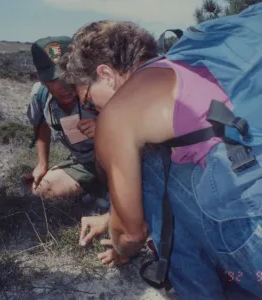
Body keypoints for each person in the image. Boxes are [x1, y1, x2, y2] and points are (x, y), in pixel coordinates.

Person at [60, 20, 262, 299]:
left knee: (149, 163)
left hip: (250, 228)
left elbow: (132, 236)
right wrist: (110, 217)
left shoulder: (119, 113)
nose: (92, 109)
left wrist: (121, 248)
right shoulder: (184, 64)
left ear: (105, 73)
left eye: (87, 99)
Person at [27, 36, 106, 200]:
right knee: (40, 191)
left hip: (120, 160)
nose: (64, 85)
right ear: (41, 78)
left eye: (69, 75)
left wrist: (105, 128)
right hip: (85, 162)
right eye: (54, 79)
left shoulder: (98, 91)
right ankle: (96, 185)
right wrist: (42, 164)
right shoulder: (40, 96)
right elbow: (41, 125)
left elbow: (137, 128)